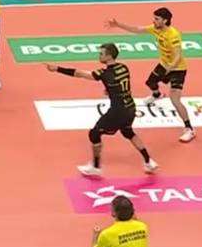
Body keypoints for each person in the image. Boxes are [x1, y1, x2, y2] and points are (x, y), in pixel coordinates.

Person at [45, 43, 157, 177]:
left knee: (94, 134)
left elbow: (79, 74)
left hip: (118, 111)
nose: (99, 56)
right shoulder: (124, 68)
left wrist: (57, 69)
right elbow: (118, 83)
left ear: (109, 56)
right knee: (128, 132)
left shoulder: (104, 74)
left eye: (101, 54)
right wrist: (109, 89)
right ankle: (149, 161)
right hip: (131, 108)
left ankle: (96, 167)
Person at [106, 8, 194, 142]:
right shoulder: (155, 29)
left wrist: (169, 69)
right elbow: (137, 29)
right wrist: (118, 24)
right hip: (164, 65)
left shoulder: (173, 35)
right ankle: (157, 95)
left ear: (165, 20)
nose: (154, 21)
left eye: (157, 19)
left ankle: (189, 129)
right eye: (154, 18)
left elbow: (178, 56)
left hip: (177, 69)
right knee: (150, 82)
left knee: (175, 99)